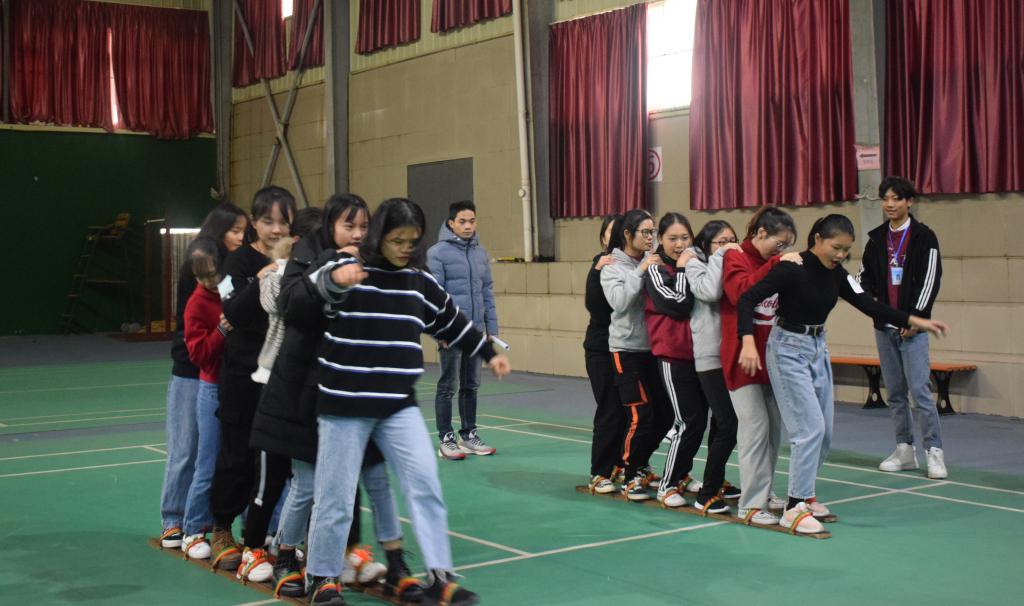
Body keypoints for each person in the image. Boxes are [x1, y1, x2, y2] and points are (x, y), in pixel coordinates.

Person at [304, 198, 510, 606]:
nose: (404, 248)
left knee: (425, 484)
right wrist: (337, 279)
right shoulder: (349, 267)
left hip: (397, 405)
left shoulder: (418, 281)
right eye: (396, 240)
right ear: (380, 236)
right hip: (344, 405)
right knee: (335, 495)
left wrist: (489, 352)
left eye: (411, 241)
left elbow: (452, 321)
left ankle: (440, 577)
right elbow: (317, 286)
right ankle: (322, 576)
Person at [737, 214, 949, 534]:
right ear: (818, 239)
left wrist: (915, 320)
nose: (840, 255)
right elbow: (746, 298)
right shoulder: (792, 268)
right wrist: (747, 342)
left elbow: (869, 305)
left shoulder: (837, 274)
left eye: (846, 250)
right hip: (787, 350)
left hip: (817, 348)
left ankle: (806, 495)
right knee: (808, 429)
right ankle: (794, 508)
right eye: (836, 247)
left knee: (824, 433)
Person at [250, 195, 412, 599]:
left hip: (359, 390)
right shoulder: (306, 259)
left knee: (374, 479)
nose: (357, 234)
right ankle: (287, 555)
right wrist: (331, 271)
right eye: (348, 226)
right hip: (307, 394)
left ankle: (391, 562)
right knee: (307, 483)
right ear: (330, 227)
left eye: (363, 226)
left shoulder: (374, 263)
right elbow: (290, 307)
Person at [209, 187, 296, 571]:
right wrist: (261, 278)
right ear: (255, 223)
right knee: (236, 454)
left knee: (276, 463)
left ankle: (261, 535)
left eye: (283, 222)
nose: (276, 229)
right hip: (242, 376)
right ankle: (221, 528)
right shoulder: (236, 262)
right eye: (267, 221)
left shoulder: (299, 260)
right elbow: (231, 311)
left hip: (282, 377)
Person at [160, 203, 247, 551]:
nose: (241, 237)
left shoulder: (232, 270)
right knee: (185, 450)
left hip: (221, 372)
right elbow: (196, 326)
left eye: (244, 231)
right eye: (236, 231)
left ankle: (205, 522)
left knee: (214, 454)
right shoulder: (199, 267)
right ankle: (173, 520)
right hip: (191, 371)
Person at [858, 177, 947, 479]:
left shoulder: (924, 237)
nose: (890, 204)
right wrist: (873, 306)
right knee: (895, 393)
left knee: (920, 392)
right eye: (885, 198)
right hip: (884, 328)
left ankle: (934, 451)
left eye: (896, 198)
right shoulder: (876, 239)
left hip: (913, 330)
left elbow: (931, 280)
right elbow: (864, 277)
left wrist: (915, 317)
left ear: (909, 202)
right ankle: (904, 450)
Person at [720, 206, 801, 526]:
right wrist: (776, 264)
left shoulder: (775, 262)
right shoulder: (736, 256)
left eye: (786, 246)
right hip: (743, 358)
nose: (781, 250)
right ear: (761, 233)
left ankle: (764, 493)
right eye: (778, 243)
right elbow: (740, 292)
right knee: (754, 428)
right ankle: (751, 506)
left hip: (773, 359)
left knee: (773, 431)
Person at [600, 209, 674, 501]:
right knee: (640, 415)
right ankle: (629, 474)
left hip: (654, 349)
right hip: (626, 350)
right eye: (645, 232)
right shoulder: (611, 266)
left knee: (666, 414)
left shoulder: (653, 261)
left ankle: (638, 462)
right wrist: (641, 269)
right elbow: (619, 302)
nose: (650, 237)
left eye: (653, 232)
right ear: (627, 234)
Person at [427, 200, 500, 459]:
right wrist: (440, 332)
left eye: (472, 221)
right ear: (451, 223)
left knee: (471, 385)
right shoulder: (437, 253)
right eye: (462, 222)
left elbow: (486, 292)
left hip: (476, 332)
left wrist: (491, 328)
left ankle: (468, 435)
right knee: (448, 385)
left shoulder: (480, 254)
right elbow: (433, 296)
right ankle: (446, 439)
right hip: (451, 333)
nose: (468, 226)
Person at [680, 220, 744, 511]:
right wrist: (721, 255)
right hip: (709, 357)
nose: (728, 246)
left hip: (732, 354)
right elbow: (709, 292)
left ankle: (715, 483)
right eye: (721, 241)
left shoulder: (730, 265)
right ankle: (706, 494)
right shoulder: (694, 264)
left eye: (732, 240)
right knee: (729, 423)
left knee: (723, 424)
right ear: (706, 245)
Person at [180, 237, 232, 560]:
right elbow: (199, 355)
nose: (209, 281)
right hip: (211, 389)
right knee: (207, 464)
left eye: (213, 274)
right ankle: (192, 529)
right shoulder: (196, 304)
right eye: (202, 276)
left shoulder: (229, 289)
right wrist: (222, 331)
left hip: (236, 386)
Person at [585, 214, 625, 494]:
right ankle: (600, 472)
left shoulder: (636, 264)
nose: (616, 236)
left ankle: (623, 465)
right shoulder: (601, 264)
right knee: (610, 410)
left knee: (632, 412)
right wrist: (597, 272)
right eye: (611, 232)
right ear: (603, 238)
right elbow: (595, 306)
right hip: (601, 348)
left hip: (629, 348)